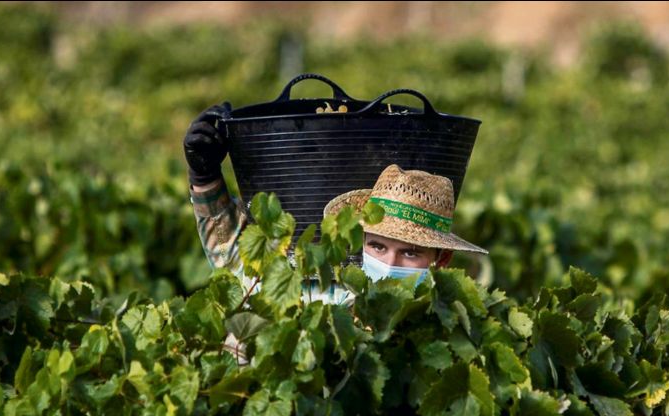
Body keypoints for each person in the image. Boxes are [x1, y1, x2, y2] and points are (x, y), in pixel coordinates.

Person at [184, 104, 488, 361]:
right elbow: (236, 260)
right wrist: (205, 175)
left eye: (410, 252)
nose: (389, 263)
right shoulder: (325, 296)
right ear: (362, 242)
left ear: (442, 260)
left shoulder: (451, 331)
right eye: (378, 247)